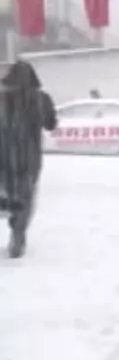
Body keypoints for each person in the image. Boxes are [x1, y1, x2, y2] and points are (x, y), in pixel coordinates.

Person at [0, 60, 58, 258]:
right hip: (30, 158)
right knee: (25, 196)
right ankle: (18, 234)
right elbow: (51, 125)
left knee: (5, 193)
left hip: (2, 156)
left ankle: (10, 217)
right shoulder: (42, 99)